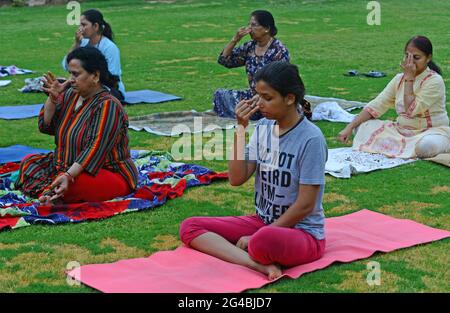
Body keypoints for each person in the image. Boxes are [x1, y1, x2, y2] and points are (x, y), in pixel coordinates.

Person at [180, 62, 327, 280]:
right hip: (264, 223)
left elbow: (306, 205)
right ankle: (258, 265)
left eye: (267, 98)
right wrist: (241, 128)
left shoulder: (311, 139)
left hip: (302, 233)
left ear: (289, 98)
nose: (260, 104)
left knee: (262, 241)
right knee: (190, 226)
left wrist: (258, 234)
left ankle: (256, 249)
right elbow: (237, 178)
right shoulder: (264, 128)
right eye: (257, 96)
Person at [17, 47, 138, 204]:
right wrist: (53, 100)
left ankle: (52, 192)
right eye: (70, 74)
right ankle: (53, 192)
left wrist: (68, 175)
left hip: (104, 170)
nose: (71, 79)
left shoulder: (108, 106)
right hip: (65, 164)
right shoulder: (70, 95)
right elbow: (46, 127)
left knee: (74, 185)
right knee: (28, 163)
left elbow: (95, 148)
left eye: (76, 74)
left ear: (95, 76)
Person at [338, 35, 450, 158]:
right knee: (360, 127)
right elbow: (377, 104)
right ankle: (403, 147)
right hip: (400, 131)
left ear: (428, 58)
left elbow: (411, 110)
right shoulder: (399, 79)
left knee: (425, 146)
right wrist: (349, 127)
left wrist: (409, 79)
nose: (410, 62)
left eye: (416, 58)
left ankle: (441, 144)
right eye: (407, 56)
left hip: (430, 132)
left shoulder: (434, 81)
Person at [213, 10, 290, 120]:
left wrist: (262, 96)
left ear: (266, 28)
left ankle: (257, 113)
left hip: (272, 97)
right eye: (249, 25)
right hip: (253, 97)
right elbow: (224, 60)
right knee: (220, 95)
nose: (249, 29)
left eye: (253, 25)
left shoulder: (279, 50)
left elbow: (282, 81)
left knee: (260, 107)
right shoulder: (250, 47)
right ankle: (252, 113)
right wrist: (235, 39)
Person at [61, 9, 126, 101]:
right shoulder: (82, 43)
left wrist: (87, 80)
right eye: (80, 25)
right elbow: (66, 66)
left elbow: (113, 76)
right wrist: (76, 44)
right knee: (56, 86)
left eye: (84, 25)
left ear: (95, 26)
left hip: (110, 89)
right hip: (86, 85)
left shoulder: (109, 47)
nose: (80, 29)